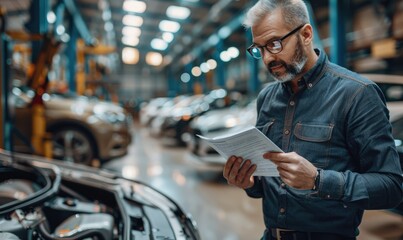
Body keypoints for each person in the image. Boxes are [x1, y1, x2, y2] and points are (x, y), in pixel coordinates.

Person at [222, 0, 403, 239]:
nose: (266, 59)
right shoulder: (266, 97)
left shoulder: (357, 94)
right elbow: (266, 184)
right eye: (259, 48)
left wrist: (318, 180)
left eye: (274, 44)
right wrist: (249, 181)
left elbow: (391, 187)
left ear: (306, 34)